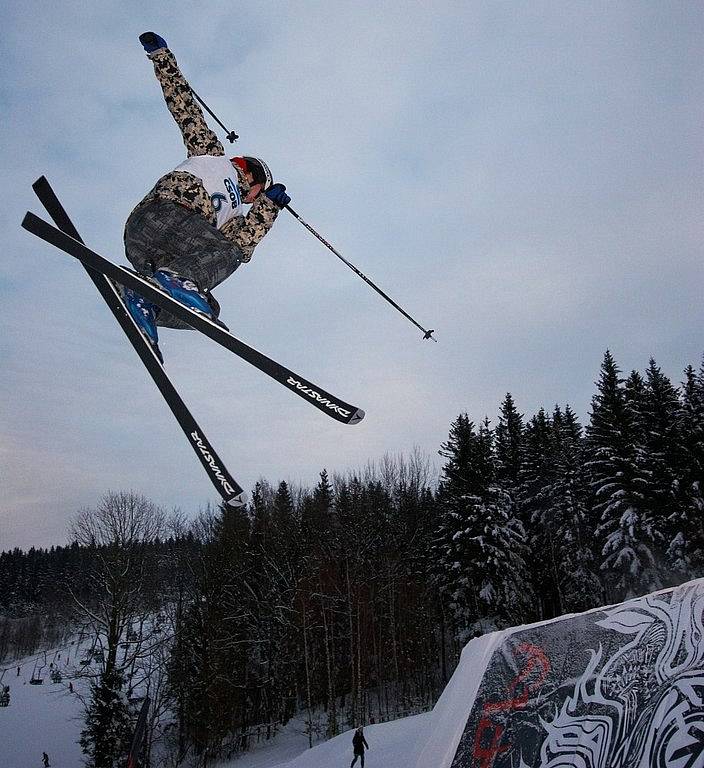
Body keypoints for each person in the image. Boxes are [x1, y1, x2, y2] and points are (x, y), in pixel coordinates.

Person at [122, 32, 291, 362]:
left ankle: (144, 299)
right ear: (252, 176)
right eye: (257, 196)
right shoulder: (211, 154)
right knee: (225, 252)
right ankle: (176, 281)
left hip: (148, 253)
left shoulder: (231, 222)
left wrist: (270, 208)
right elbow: (184, 104)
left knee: (207, 307)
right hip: (163, 215)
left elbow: (243, 244)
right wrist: (162, 58)